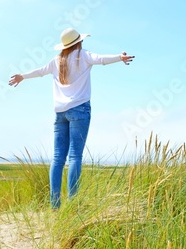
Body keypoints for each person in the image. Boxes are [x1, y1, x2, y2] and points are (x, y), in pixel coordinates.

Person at [8, 28, 135, 209]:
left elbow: (40, 71)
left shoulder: (56, 61)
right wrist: (119, 57)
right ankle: (73, 205)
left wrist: (23, 76)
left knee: (58, 158)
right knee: (75, 157)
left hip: (60, 114)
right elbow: (101, 60)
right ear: (79, 42)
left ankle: (55, 206)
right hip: (79, 110)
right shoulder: (83, 55)